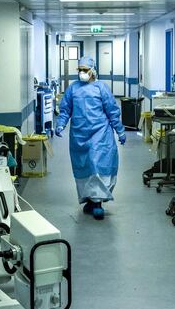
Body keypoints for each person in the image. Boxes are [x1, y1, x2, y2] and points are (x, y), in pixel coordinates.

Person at [54, 56, 126, 220]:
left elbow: (112, 111)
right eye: (80, 70)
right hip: (79, 135)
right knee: (84, 167)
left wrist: (120, 130)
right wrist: (60, 124)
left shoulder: (101, 88)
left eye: (85, 70)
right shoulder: (73, 89)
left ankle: (98, 202)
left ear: (93, 71)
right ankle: (90, 200)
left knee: (95, 165)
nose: (82, 73)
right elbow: (65, 110)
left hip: (100, 134)